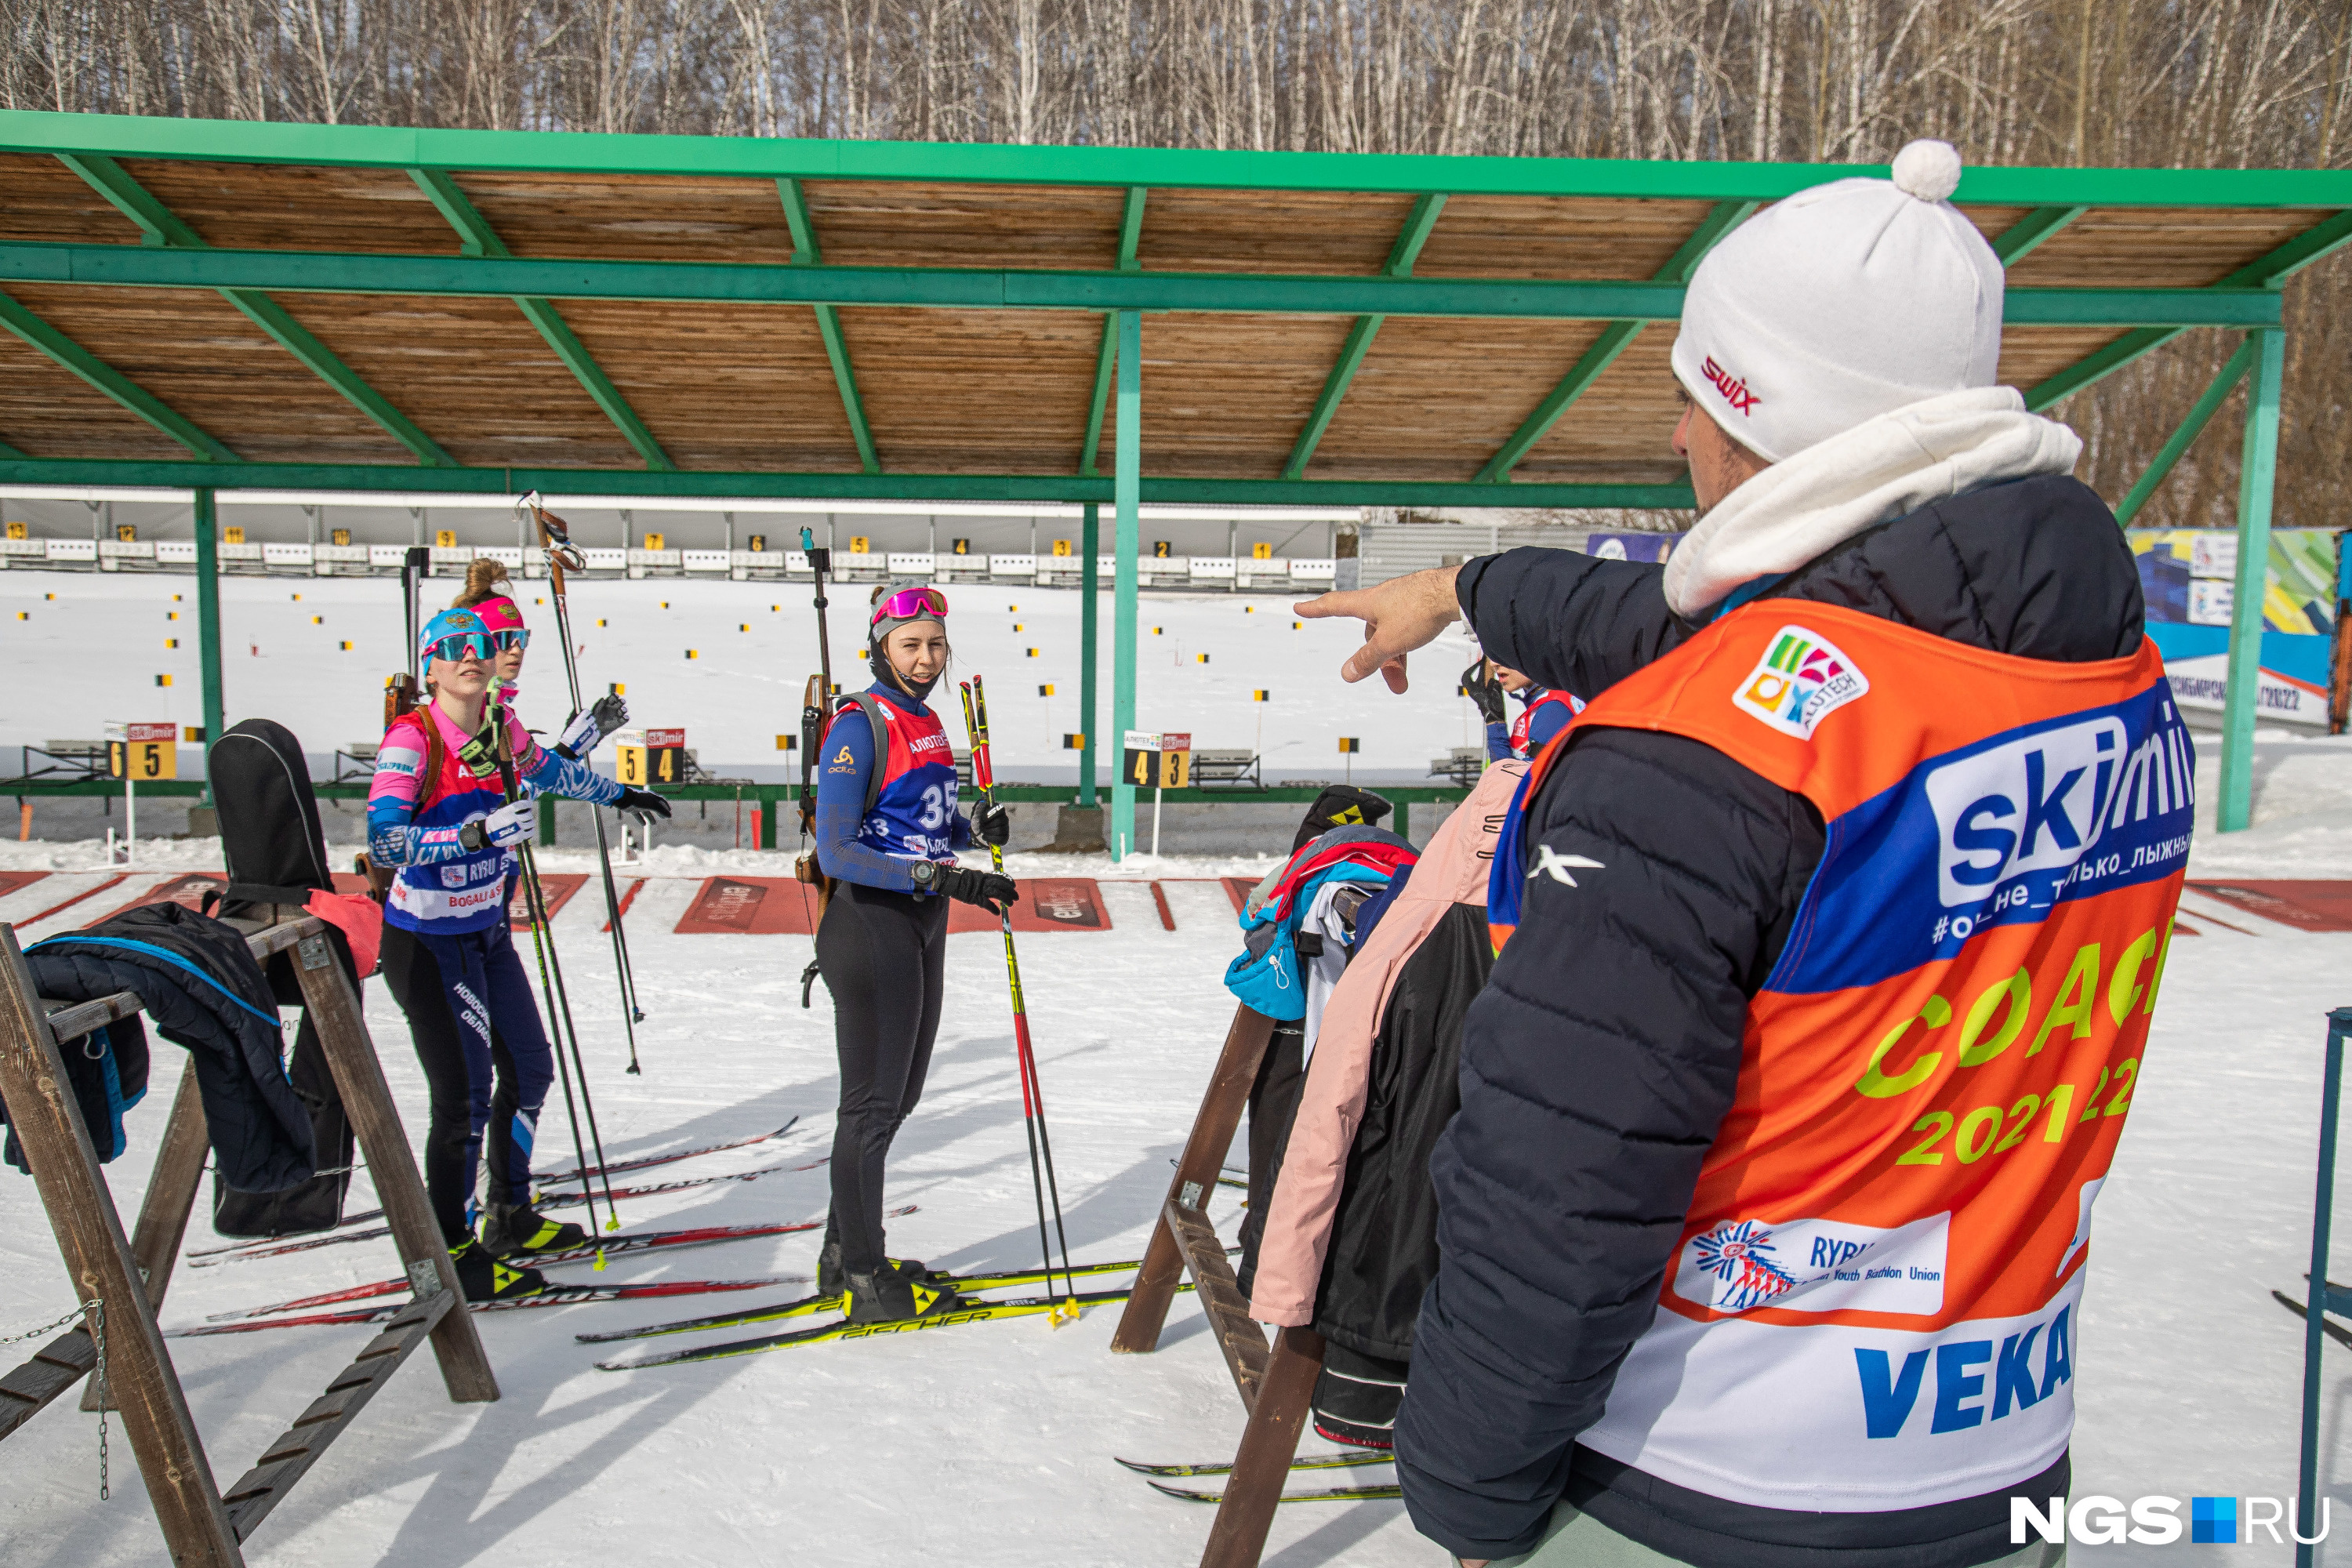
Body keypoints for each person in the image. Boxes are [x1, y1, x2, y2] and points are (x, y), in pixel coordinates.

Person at [1298, 140, 2191, 1567]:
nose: (1673, 443)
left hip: (1706, 1483)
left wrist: (1463, 1490)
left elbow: (1558, 1186)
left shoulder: (1691, 762)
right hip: (2001, 1454)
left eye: (1687, 399)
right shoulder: (2102, 670)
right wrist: (1464, 588)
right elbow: (1734, 633)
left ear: (1751, 414)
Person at [368, 606, 672, 1301]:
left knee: (531, 1067)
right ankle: (450, 1252)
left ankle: (510, 1210)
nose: (469, 655)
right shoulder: (412, 741)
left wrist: (619, 792)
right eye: (450, 648)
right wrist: (472, 838)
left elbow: (550, 774)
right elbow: (385, 841)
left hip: (487, 931)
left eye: (480, 644)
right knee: (463, 1098)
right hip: (427, 942)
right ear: (431, 667)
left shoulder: (501, 730)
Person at [811, 582, 1017, 1324]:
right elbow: (835, 849)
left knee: (899, 1100)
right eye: (910, 645)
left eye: (935, 644)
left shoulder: (925, 720)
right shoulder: (859, 725)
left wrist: (969, 829)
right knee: (869, 1108)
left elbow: (915, 820)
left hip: (920, 920)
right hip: (870, 923)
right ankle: (865, 1280)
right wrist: (945, 875)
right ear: (879, 646)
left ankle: (845, 1253)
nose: (925, 658)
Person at [1463, 659, 1581, 761]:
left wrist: (1495, 723)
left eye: (1506, 651)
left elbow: (1516, 784)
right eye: (1493, 653)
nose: (1494, 663)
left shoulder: (1553, 709)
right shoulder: (1543, 703)